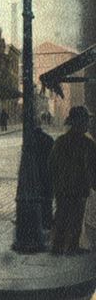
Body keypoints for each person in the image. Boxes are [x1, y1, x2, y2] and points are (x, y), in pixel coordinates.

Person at [49, 106, 96, 255]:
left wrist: (55, 184)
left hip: (63, 188)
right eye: (85, 121)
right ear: (79, 122)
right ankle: (72, 247)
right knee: (76, 218)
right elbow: (93, 169)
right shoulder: (88, 144)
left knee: (62, 216)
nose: (87, 124)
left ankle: (58, 247)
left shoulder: (61, 141)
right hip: (79, 188)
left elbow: (51, 165)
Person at [34, 126, 56, 230]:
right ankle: (47, 220)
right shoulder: (49, 139)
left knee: (37, 197)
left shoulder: (30, 141)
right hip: (47, 173)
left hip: (36, 174)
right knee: (47, 199)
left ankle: (39, 220)